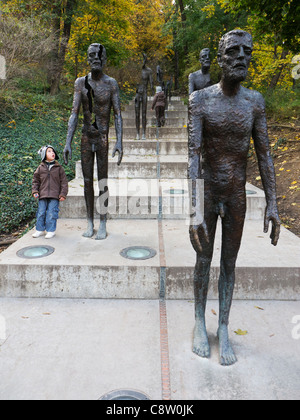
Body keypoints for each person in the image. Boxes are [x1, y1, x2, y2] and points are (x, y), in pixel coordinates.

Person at [188, 30, 280, 366]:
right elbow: (193, 155)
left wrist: (272, 202)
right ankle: (199, 320)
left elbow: (265, 154)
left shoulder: (254, 101)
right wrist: (195, 209)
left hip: (237, 194)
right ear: (221, 56)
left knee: (229, 263)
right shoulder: (200, 100)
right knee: (203, 259)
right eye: (233, 51)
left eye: (247, 51)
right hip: (210, 191)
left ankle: (223, 326)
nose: (241, 56)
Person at [63, 43, 123, 240]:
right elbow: (74, 114)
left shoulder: (111, 84)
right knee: (87, 181)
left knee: (102, 181)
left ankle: (103, 221)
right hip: (86, 137)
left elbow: (118, 115)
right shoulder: (80, 83)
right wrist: (67, 141)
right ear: (88, 59)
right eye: (92, 56)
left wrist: (120, 141)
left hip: (103, 137)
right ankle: (90, 221)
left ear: (104, 59)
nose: (95, 59)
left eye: (99, 55)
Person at [32, 145, 68, 239]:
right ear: (44, 155)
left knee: (52, 213)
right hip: (42, 194)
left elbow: (64, 182)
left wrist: (63, 194)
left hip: (55, 195)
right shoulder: (40, 168)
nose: (52, 153)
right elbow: (35, 180)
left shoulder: (59, 168)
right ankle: (39, 229)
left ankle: (51, 230)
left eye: (53, 151)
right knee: (41, 212)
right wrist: (35, 190)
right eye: (49, 151)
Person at [135, 53, 154, 140]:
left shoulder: (148, 71)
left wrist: (154, 92)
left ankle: (143, 133)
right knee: (137, 114)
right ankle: (137, 133)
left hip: (145, 92)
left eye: (144, 59)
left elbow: (151, 83)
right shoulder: (136, 71)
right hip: (138, 93)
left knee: (143, 113)